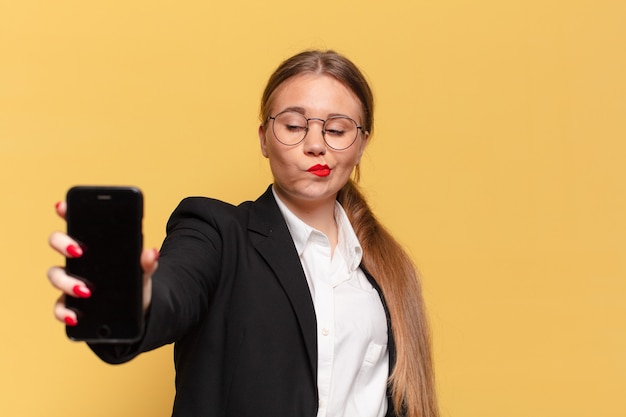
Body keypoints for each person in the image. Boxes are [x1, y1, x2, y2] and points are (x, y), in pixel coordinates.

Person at [48, 50, 439, 417]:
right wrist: (132, 295)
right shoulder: (215, 232)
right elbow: (173, 291)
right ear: (264, 139)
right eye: (294, 126)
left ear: (361, 144)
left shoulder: (388, 271)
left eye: (336, 130)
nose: (316, 145)